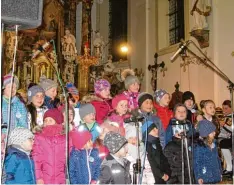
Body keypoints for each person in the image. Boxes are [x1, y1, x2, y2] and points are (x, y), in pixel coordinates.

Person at [32, 109, 66, 184]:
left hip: (61, 179)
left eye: (50, 120)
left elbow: (68, 159)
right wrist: (39, 178)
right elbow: (36, 159)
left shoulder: (65, 139)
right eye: (45, 120)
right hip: (45, 179)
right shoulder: (40, 138)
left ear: (57, 122)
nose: (47, 123)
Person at [2, 74, 28, 161]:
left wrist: (21, 137)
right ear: (3, 88)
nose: (12, 89)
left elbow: (23, 123)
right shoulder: (1, 103)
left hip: (15, 141)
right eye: (10, 87)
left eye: (14, 87)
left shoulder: (19, 104)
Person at [164, 113, 194, 184]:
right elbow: (169, 165)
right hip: (177, 179)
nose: (182, 133)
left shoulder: (190, 144)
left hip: (189, 177)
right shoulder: (170, 146)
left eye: (184, 131)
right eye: (179, 132)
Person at [141, 117, 171, 184]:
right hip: (154, 177)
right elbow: (151, 163)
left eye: (156, 128)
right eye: (153, 130)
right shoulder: (146, 146)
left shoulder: (157, 143)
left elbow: (163, 159)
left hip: (163, 176)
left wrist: (167, 172)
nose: (157, 130)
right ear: (147, 133)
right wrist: (161, 174)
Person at [193, 119, 222, 184]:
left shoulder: (213, 144)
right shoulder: (199, 147)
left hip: (215, 175)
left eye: (214, 131)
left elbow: (217, 159)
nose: (215, 133)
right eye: (212, 132)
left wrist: (220, 172)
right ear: (205, 134)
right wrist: (199, 176)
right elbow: (197, 162)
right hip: (205, 177)